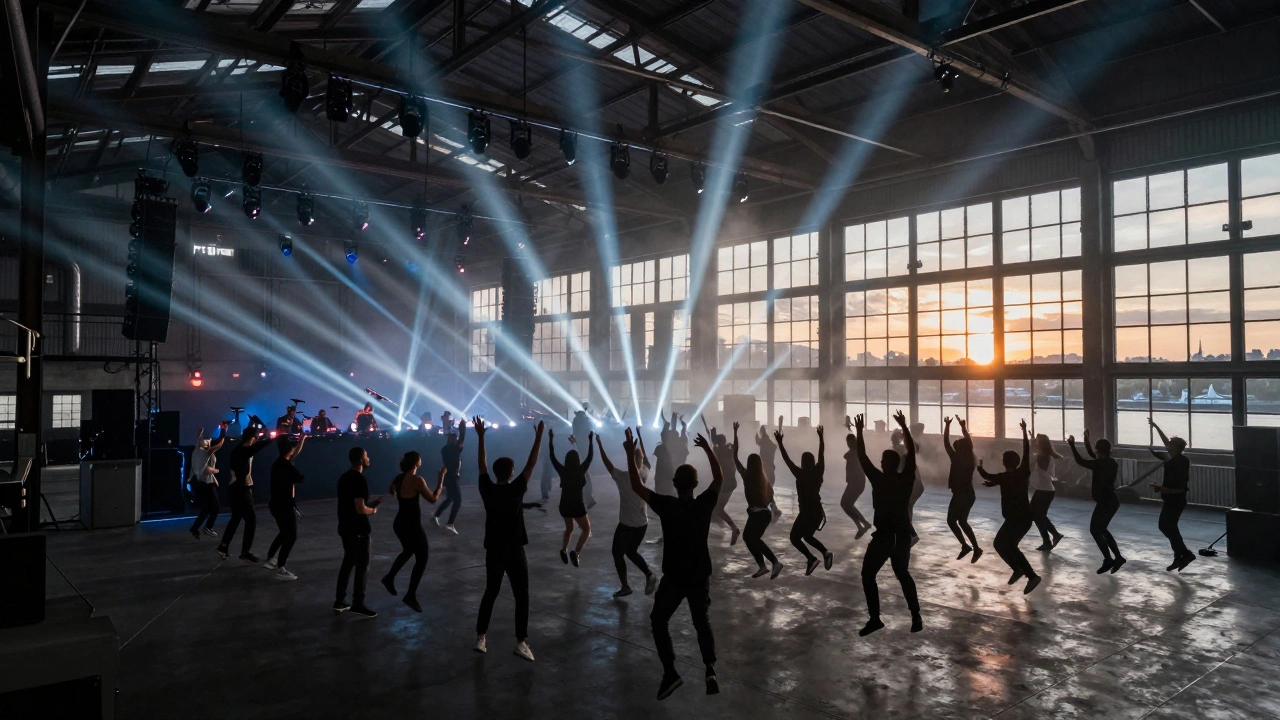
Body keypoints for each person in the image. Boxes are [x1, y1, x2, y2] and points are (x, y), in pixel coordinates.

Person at [622, 427, 722, 700]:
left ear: (676, 484)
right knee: (701, 619)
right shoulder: (703, 505)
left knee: (658, 620)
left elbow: (636, 486)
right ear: (695, 484)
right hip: (700, 572)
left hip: (675, 576)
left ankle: (670, 672)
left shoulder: (667, 505)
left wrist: (631, 454)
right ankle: (710, 669)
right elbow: (720, 478)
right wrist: (709, 450)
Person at [474, 417, 545, 662]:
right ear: (511, 473)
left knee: (490, 592)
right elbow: (532, 463)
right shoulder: (516, 489)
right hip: (514, 550)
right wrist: (538, 438)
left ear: (496, 473)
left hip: (493, 549)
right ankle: (521, 642)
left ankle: (481, 639)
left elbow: (481, 465)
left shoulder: (487, 489)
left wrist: (481, 437)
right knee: (521, 596)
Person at [852, 412, 922, 636]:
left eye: (882, 461)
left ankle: (875, 618)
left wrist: (859, 431)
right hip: (901, 535)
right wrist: (904, 427)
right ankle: (916, 615)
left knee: (867, 575)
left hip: (884, 537)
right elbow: (911, 455)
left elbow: (861, 455)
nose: (880, 464)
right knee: (902, 573)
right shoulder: (906, 478)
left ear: (886, 464)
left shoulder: (879, 479)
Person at [978, 419, 1042, 595]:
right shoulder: (1022, 473)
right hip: (1022, 519)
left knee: (1006, 545)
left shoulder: (1004, 477)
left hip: (1017, 520)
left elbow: (987, 474)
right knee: (1002, 544)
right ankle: (1019, 570)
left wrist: (979, 466)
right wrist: (1024, 432)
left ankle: (1030, 575)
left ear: (1004, 462)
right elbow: (1027, 452)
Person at [381, 453, 445, 612]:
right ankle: (410, 595)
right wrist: (441, 478)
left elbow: (392, 490)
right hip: (411, 525)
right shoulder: (418, 480)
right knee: (422, 558)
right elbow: (433, 499)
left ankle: (389, 577)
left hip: (400, 523)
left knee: (409, 550)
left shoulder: (399, 477)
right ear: (416, 462)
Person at [596, 431, 656, 598]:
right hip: (642, 524)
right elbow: (645, 460)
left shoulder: (623, 477)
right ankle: (649, 574)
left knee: (617, 553)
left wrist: (600, 445)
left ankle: (625, 586)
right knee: (630, 551)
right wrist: (638, 441)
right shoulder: (645, 473)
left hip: (627, 525)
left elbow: (607, 464)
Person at [776, 425, 832, 576]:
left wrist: (780, 443)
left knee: (795, 538)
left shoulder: (799, 474)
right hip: (817, 512)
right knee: (807, 536)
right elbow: (822, 454)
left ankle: (812, 558)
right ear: (813, 462)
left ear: (802, 462)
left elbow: (786, 459)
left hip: (807, 512)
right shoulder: (819, 471)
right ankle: (825, 552)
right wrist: (821, 438)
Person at [1068, 431, 1126, 574]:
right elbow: (1092, 455)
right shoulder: (1110, 462)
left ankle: (1109, 560)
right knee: (1102, 530)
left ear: (1098, 450)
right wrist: (1086, 439)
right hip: (1111, 501)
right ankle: (1118, 558)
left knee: (1095, 530)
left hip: (1106, 502)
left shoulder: (1100, 464)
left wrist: (1072, 446)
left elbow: (1081, 461)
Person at [732, 422, 782, 579]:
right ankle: (764, 565)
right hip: (762, 514)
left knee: (750, 538)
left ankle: (773, 563)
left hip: (758, 514)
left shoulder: (746, 475)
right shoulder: (763, 479)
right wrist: (774, 509)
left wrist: (735, 433)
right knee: (750, 538)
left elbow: (734, 456)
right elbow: (771, 495)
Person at [216, 428, 274, 562]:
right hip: (240, 489)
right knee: (251, 519)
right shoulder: (243, 451)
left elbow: (255, 447)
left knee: (236, 518)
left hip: (236, 488)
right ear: (251, 438)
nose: (257, 439)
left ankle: (223, 546)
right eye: (255, 437)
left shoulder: (240, 449)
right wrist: (271, 438)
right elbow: (257, 447)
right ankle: (245, 551)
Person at [335, 447, 378, 617]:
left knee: (348, 563)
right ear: (361, 460)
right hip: (358, 530)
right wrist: (371, 511)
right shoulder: (360, 480)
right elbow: (360, 509)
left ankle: (340, 601)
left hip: (344, 526)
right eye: (367, 455)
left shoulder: (344, 478)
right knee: (362, 567)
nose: (369, 458)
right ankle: (358, 603)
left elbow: (348, 504)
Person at [1148, 418, 1193, 571]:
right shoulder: (1177, 459)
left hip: (1176, 500)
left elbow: (1180, 489)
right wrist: (1156, 426)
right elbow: (1166, 441)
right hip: (1171, 500)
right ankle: (1180, 556)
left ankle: (1185, 555)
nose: (1167, 446)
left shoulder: (1179, 462)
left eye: (1170, 445)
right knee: (1169, 527)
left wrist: (1161, 489)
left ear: (1176, 448)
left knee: (1167, 527)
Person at [264, 434, 307, 580]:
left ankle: (271, 558)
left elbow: (295, 453)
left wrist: (302, 439)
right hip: (284, 505)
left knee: (284, 533)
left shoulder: (278, 463)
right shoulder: (286, 465)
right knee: (291, 535)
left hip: (276, 504)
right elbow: (299, 478)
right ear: (289, 450)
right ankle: (281, 567)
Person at [549, 427, 594, 566]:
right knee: (586, 529)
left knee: (569, 529)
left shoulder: (563, 470)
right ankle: (576, 552)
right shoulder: (581, 470)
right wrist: (590, 441)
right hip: (577, 505)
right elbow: (589, 457)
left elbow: (552, 457)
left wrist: (551, 440)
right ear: (577, 460)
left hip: (564, 505)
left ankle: (564, 550)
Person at [942, 416, 982, 562]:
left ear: (960, 448)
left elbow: (946, 443)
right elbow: (967, 443)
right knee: (961, 521)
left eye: (957, 444)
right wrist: (963, 427)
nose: (955, 444)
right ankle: (973, 547)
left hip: (962, 495)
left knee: (953, 521)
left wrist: (947, 426)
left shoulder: (957, 458)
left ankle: (968, 546)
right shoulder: (969, 458)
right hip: (967, 494)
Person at [188, 424, 227, 540]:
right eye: (206, 441)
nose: (208, 442)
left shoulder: (196, 451)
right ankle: (208, 527)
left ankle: (195, 528)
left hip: (201, 483)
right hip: (205, 484)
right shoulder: (205, 453)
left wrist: (199, 434)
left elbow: (205, 469)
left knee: (206, 508)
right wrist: (224, 430)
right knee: (215, 507)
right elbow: (220, 443)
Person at [1029, 433, 1065, 552]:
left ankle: (1050, 538)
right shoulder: (1045, 455)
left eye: (1038, 441)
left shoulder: (1043, 456)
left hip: (1044, 490)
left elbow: (1029, 460)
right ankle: (1052, 537)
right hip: (1045, 490)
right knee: (1038, 516)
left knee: (1037, 515)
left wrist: (1030, 445)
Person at [840, 416, 872, 539]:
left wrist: (855, 431)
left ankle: (863, 524)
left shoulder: (856, 452)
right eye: (847, 443)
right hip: (854, 482)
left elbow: (846, 456)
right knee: (847, 505)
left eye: (850, 442)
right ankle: (862, 525)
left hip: (857, 483)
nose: (848, 445)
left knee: (846, 504)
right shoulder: (854, 451)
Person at [893, 428, 925, 546]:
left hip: (914, 485)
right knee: (907, 508)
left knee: (903, 510)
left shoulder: (904, 455)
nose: (892, 443)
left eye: (893, 441)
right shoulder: (904, 455)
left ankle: (913, 535)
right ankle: (909, 534)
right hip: (915, 485)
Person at [434, 423, 467, 534]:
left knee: (449, 499)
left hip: (449, 477)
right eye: (454, 438)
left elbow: (460, 441)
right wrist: (462, 430)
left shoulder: (445, 449)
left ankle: (436, 516)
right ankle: (450, 524)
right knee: (457, 501)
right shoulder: (454, 448)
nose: (456, 439)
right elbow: (461, 439)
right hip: (452, 477)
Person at [710, 429, 741, 546]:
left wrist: (713, 433)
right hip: (731, 481)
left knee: (718, 508)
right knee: (717, 508)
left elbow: (713, 444)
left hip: (726, 482)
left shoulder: (717, 450)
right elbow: (735, 447)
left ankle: (734, 528)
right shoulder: (729, 451)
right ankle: (731, 527)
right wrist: (735, 432)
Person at [758, 424, 782, 523]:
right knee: (767, 491)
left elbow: (758, 441)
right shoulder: (772, 445)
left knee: (766, 492)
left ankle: (774, 510)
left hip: (766, 471)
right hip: (770, 470)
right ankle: (774, 509)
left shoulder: (763, 444)